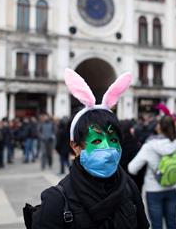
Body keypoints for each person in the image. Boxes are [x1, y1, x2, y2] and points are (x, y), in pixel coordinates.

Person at [29, 69, 149, 229]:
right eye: (97, 140)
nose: (108, 148)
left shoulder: (129, 187)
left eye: (113, 140)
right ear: (75, 146)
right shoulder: (56, 200)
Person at [128, 116, 176, 229]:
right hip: (172, 188)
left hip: (153, 189)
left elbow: (132, 168)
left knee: (156, 225)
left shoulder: (149, 146)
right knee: (172, 222)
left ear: (159, 127)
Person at [119, 119, 146, 193]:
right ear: (131, 130)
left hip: (119, 183)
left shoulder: (116, 145)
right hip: (135, 182)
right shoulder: (137, 145)